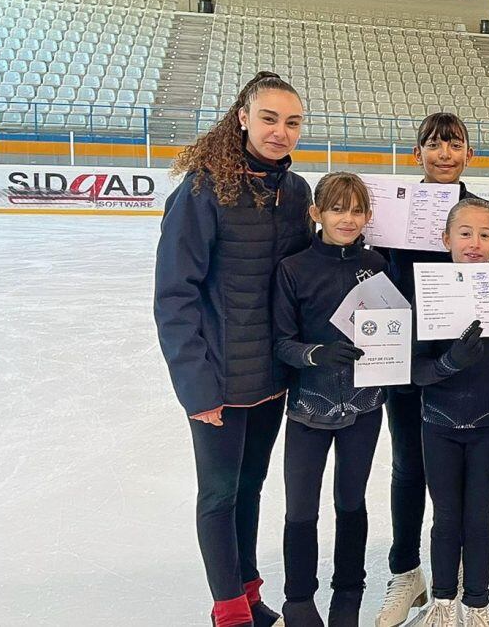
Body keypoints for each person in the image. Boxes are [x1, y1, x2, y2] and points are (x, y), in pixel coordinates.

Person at [154, 71, 312, 627]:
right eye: (269, 118)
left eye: (292, 122)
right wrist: (195, 387)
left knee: (250, 489)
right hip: (218, 379)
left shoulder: (296, 193)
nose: (281, 132)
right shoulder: (202, 189)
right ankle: (229, 613)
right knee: (219, 496)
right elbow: (175, 295)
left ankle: (248, 594)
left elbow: (303, 282)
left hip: (271, 377)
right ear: (242, 117)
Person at [376, 113, 489, 627]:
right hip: (411, 362)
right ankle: (406, 570)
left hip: (472, 374)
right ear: (417, 153)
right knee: (409, 466)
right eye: (433, 145)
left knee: (464, 494)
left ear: (468, 155)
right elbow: (378, 277)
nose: (443, 154)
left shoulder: (483, 214)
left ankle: (454, 577)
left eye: (453, 144)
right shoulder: (396, 211)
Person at [406, 198, 489, 627]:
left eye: (484, 234)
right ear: (446, 239)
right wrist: (449, 364)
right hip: (438, 426)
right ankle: (443, 602)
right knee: (445, 517)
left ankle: (477, 603)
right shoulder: (428, 289)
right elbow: (415, 369)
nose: (474, 243)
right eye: (465, 233)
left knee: (478, 518)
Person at [272, 173, 388, 626]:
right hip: (309, 407)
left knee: (351, 501)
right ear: (316, 213)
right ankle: (298, 598)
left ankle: (348, 594)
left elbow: (392, 329)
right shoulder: (294, 268)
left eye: (357, 210)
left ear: (368, 216)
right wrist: (316, 353)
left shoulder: (377, 264)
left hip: (364, 405)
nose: (348, 218)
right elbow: (281, 342)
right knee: (301, 506)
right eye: (338, 209)